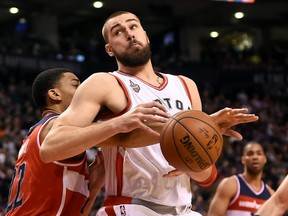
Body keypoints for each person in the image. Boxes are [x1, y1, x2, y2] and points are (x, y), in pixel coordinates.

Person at [42, 11, 259, 216]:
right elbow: (51, 147)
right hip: (131, 206)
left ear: (146, 35)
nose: (129, 33)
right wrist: (119, 124)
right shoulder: (104, 82)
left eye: (134, 26)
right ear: (110, 49)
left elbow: (206, 177)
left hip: (184, 209)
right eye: (118, 31)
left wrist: (201, 141)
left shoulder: (186, 85)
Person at [5, 68, 106, 216]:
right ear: (55, 94)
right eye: (76, 85)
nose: (84, 90)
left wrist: (94, 187)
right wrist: (126, 120)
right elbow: (117, 135)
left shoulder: (36, 134)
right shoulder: (55, 126)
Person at [207, 141, 274, 216]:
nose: (255, 157)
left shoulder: (271, 195)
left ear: (264, 159)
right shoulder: (230, 185)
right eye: (250, 154)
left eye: (259, 153)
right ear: (243, 159)